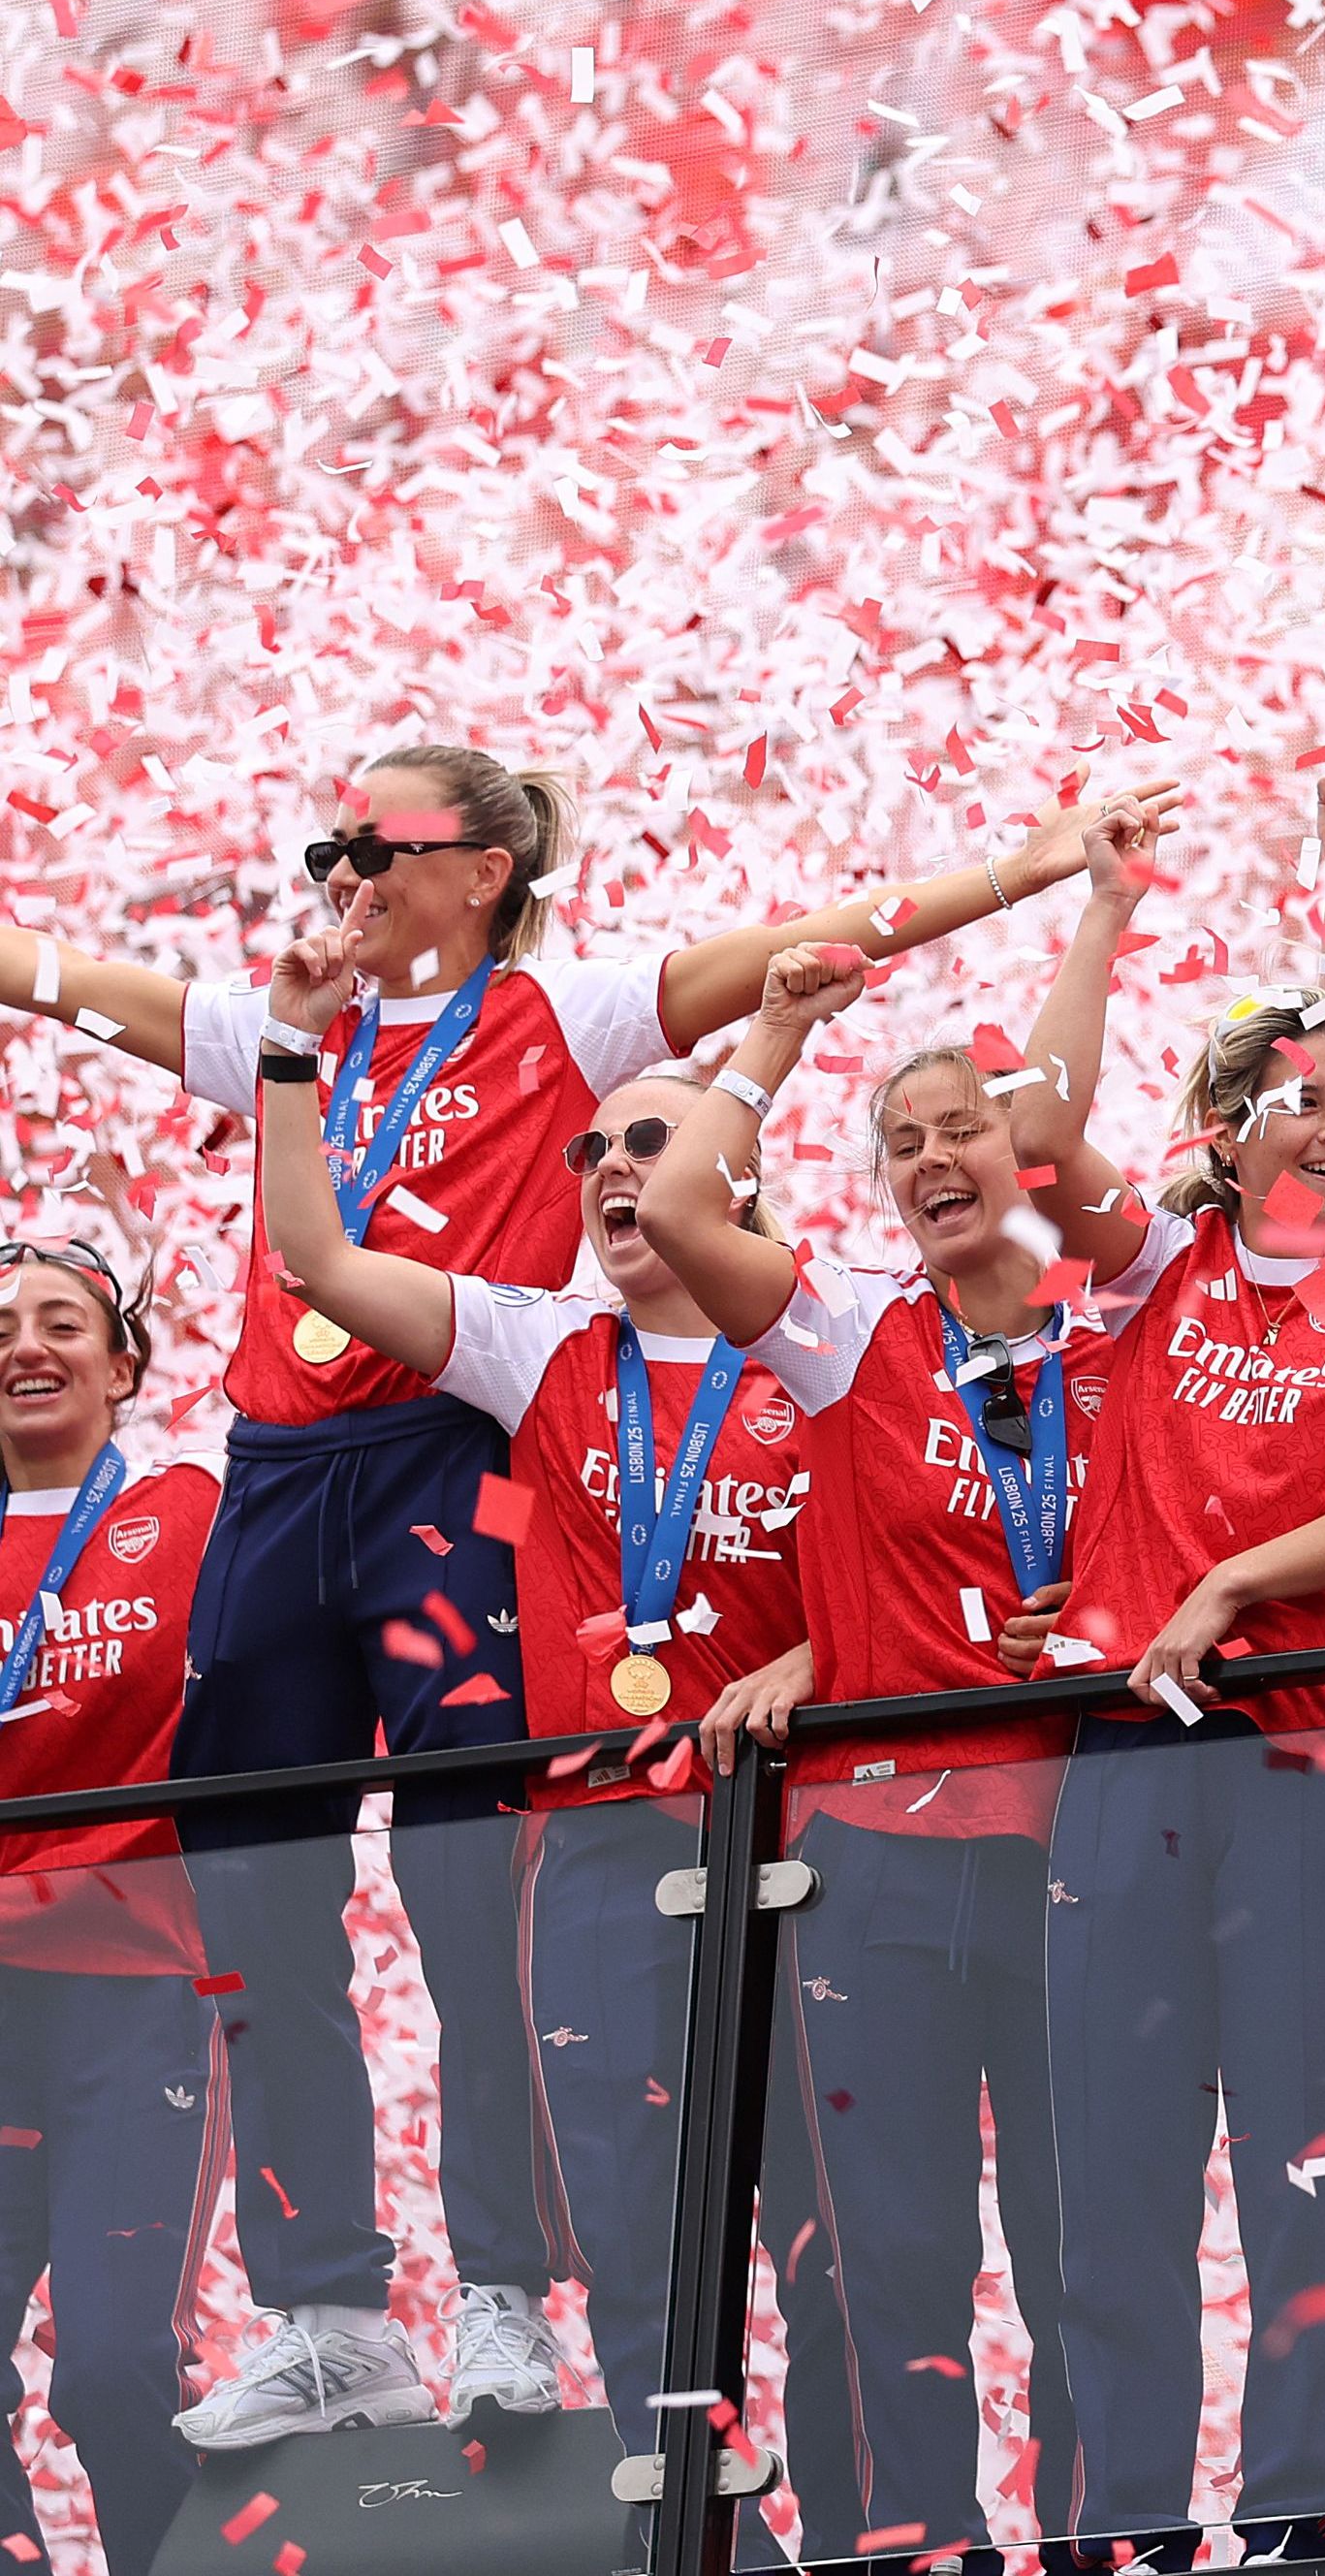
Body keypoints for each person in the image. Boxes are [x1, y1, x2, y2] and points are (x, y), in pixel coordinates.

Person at [0, 741, 1158, 2449]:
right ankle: (325, 2300)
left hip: (440, 1454)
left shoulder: (579, 1019)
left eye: (374, 845)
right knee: (251, 1872)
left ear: (483, 869)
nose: (339, 873)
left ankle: (491, 2285)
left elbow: (816, 941)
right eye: (325, 842)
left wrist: (1052, 861)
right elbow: (52, 982)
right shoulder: (282, 1024)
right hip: (277, 1470)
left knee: (469, 1877)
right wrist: (286, 1024)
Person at [246, 931, 833, 2516]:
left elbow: (913, 1552)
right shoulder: (537, 1347)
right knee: (635, 2210)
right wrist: (291, 1057)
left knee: (835, 2218)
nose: (612, 1168)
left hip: (803, 1841)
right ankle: (683, 2512)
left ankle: (860, 2526)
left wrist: (818, 1660)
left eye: (651, 1140)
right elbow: (318, 1257)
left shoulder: (823, 1339)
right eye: (592, 1147)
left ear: (731, 1168)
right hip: (601, 1856)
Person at [633, 859, 1166, 2571]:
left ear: (1026, 1165)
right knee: (892, 2243)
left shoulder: (1132, 1343)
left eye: (965, 1132)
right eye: (906, 1142)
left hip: (1086, 1850)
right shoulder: (854, 1336)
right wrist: (773, 1037)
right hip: (876, 1858)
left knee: (1091, 2236)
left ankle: (1100, 2542)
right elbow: (696, 1217)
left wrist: (1096, 915)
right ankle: (914, 2547)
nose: (934, 1162)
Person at [1009, 792, 1325, 2566]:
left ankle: (1303, 2525)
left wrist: (1229, 1579)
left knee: (1307, 2166)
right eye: (1308, 1094)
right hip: (1130, 1764)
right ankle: (1120, 2525)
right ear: (1223, 1131)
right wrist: (1101, 913)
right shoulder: (1146, 1276)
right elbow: (1039, 1143)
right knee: (1110, 2174)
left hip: (1315, 1761)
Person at [0, 1243, 219, 2564]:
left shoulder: (194, 1508)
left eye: (61, 1322)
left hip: (131, 1991)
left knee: (115, 2366)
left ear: (123, 1366)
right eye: (2, 1323)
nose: (25, 1344)